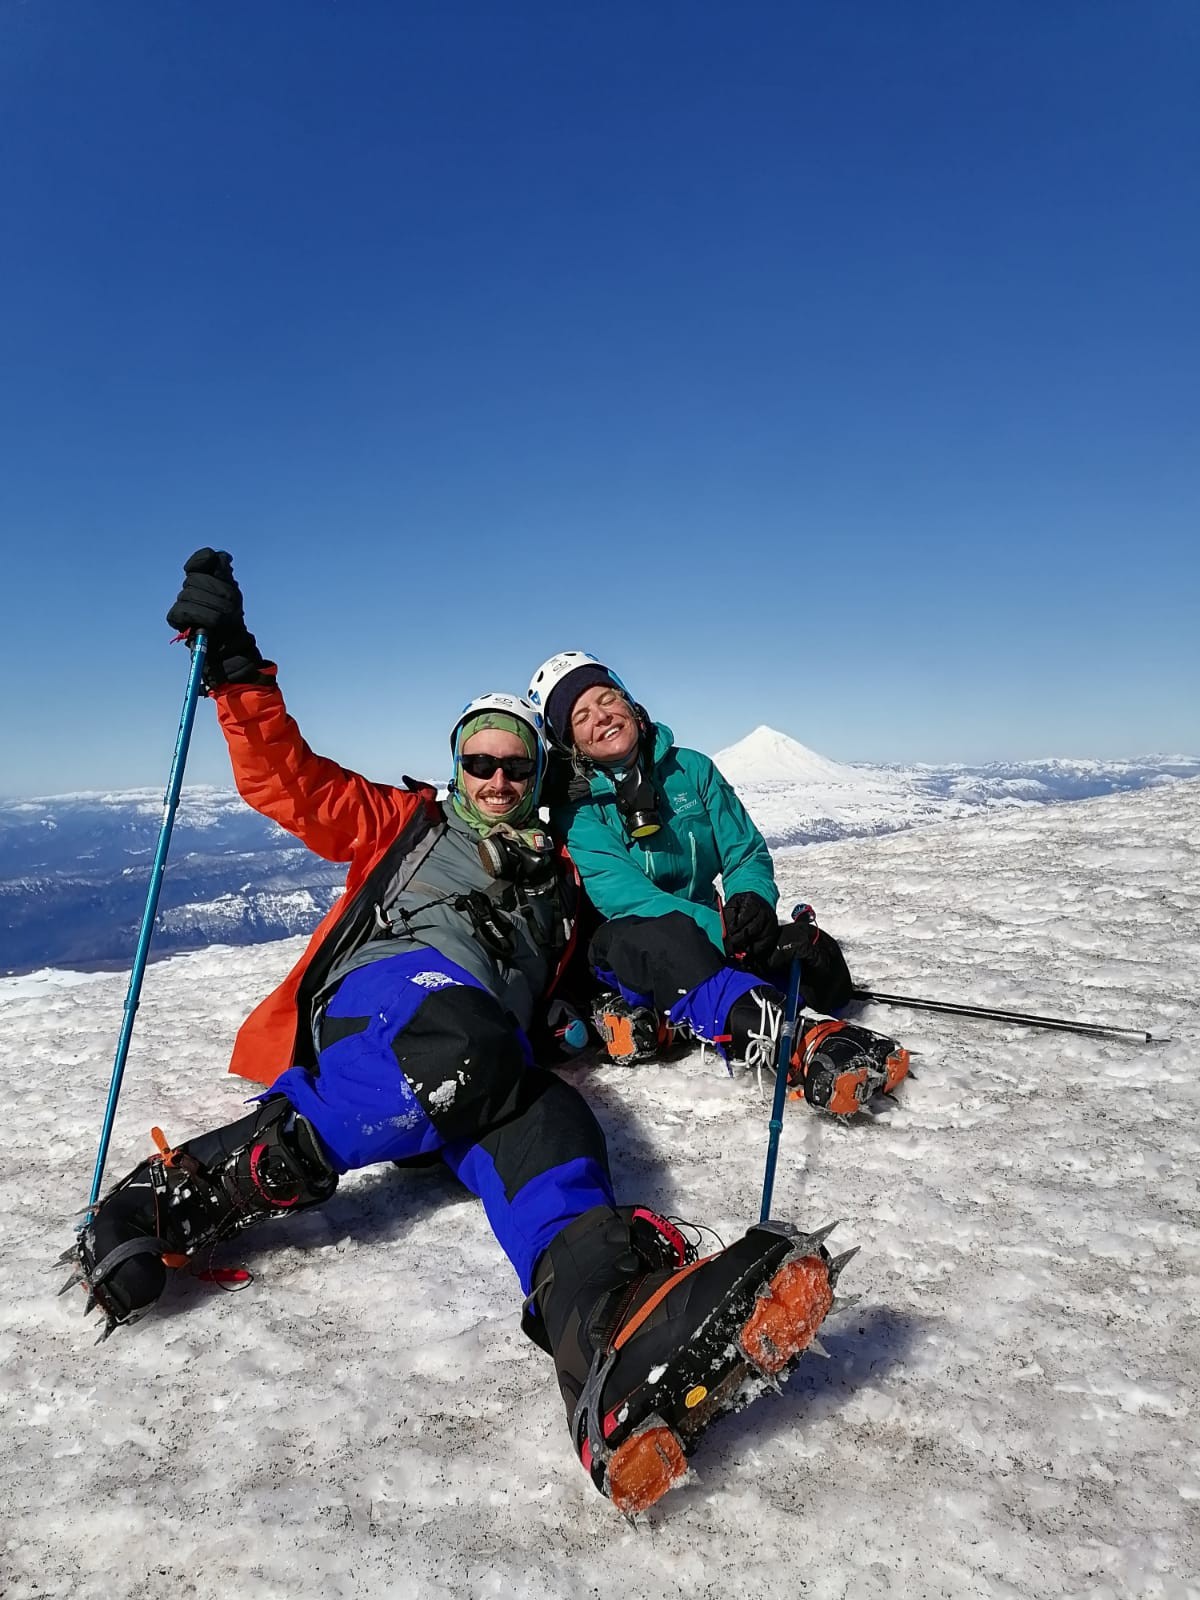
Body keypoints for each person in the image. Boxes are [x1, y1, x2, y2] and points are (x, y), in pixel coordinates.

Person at [66, 551, 848, 1517]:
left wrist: (763, 951)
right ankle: (176, 1194)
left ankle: (609, 1339)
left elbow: (638, 944)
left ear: (538, 774)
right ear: (457, 766)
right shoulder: (403, 824)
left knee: (554, 1128)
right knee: (467, 1045)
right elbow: (288, 781)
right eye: (481, 762)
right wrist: (234, 664)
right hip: (386, 1006)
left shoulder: (562, 880)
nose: (497, 778)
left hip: (483, 1057)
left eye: (517, 765)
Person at [526, 651, 911, 1116]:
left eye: (607, 699)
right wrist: (723, 933)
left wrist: (752, 901)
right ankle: (798, 1043)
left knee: (816, 960)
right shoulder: (578, 812)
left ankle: (664, 1022)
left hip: (712, 929)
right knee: (671, 943)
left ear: (629, 703)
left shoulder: (692, 770)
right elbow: (626, 898)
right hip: (627, 944)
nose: (601, 717)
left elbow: (743, 851)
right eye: (581, 716)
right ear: (569, 743)